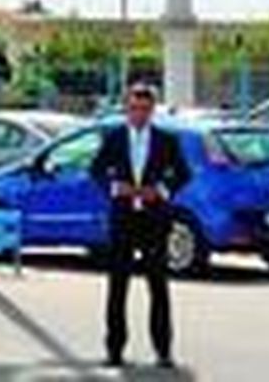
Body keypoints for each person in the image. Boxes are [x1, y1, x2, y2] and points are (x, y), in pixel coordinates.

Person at [89, 83, 192, 370]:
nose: (139, 114)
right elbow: (95, 170)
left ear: (152, 111)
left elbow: (183, 173)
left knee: (158, 286)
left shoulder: (166, 140)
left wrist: (161, 190)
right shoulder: (114, 138)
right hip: (123, 219)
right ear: (126, 108)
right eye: (134, 108)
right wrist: (113, 187)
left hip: (153, 221)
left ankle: (163, 350)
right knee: (117, 287)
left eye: (145, 109)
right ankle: (114, 350)